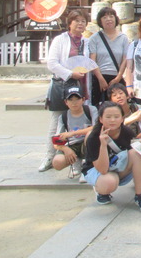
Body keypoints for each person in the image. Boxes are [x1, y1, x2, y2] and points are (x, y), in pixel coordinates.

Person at [39, 9, 90, 172]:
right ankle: (49, 155)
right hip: (62, 85)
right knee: (57, 123)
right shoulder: (60, 40)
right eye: (77, 21)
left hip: (80, 86)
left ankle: (76, 161)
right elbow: (52, 63)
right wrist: (70, 74)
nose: (80, 24)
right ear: (70, 23)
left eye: (83, 21)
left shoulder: (86, 42)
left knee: (77, 124)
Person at [82, 102, 141, 212]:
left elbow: (136, 155)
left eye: (116, 117)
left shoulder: (127, 132)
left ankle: (140, 196)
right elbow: (102, 169)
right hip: (99, 170)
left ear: (122, 119)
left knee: (137, 154)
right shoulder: (94, 137)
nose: (112, 120)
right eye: (108, 117)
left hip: (118, 167)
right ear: (101, 119)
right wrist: (103, 145)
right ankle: (102, 192)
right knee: (109, 182)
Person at [52, 82, 98, 180]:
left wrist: (72, 133)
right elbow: (56, 141)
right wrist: (66, 149)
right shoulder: (63, 117)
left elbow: (96, 128)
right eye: (70, 100)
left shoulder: (91, 110)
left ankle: (87, 168)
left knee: (90, 135)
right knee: (57, 162)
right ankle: (76, 162)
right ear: (66, 102)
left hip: (88, 143)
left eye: (77, 99)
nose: (74, 103)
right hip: (72, 145)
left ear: (83, 100)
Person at [89, 7, 129, 107]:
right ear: (100, 21)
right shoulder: (95, 38)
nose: (108, 19)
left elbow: (125, 59)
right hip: (99, 78)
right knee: (100, 108)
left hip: (116, 78)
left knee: (119, 108)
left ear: (116, 19)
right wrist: (100, 79)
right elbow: (92, 60)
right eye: (104, 17)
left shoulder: (123, 38)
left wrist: (119, 77)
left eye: (111, 16)